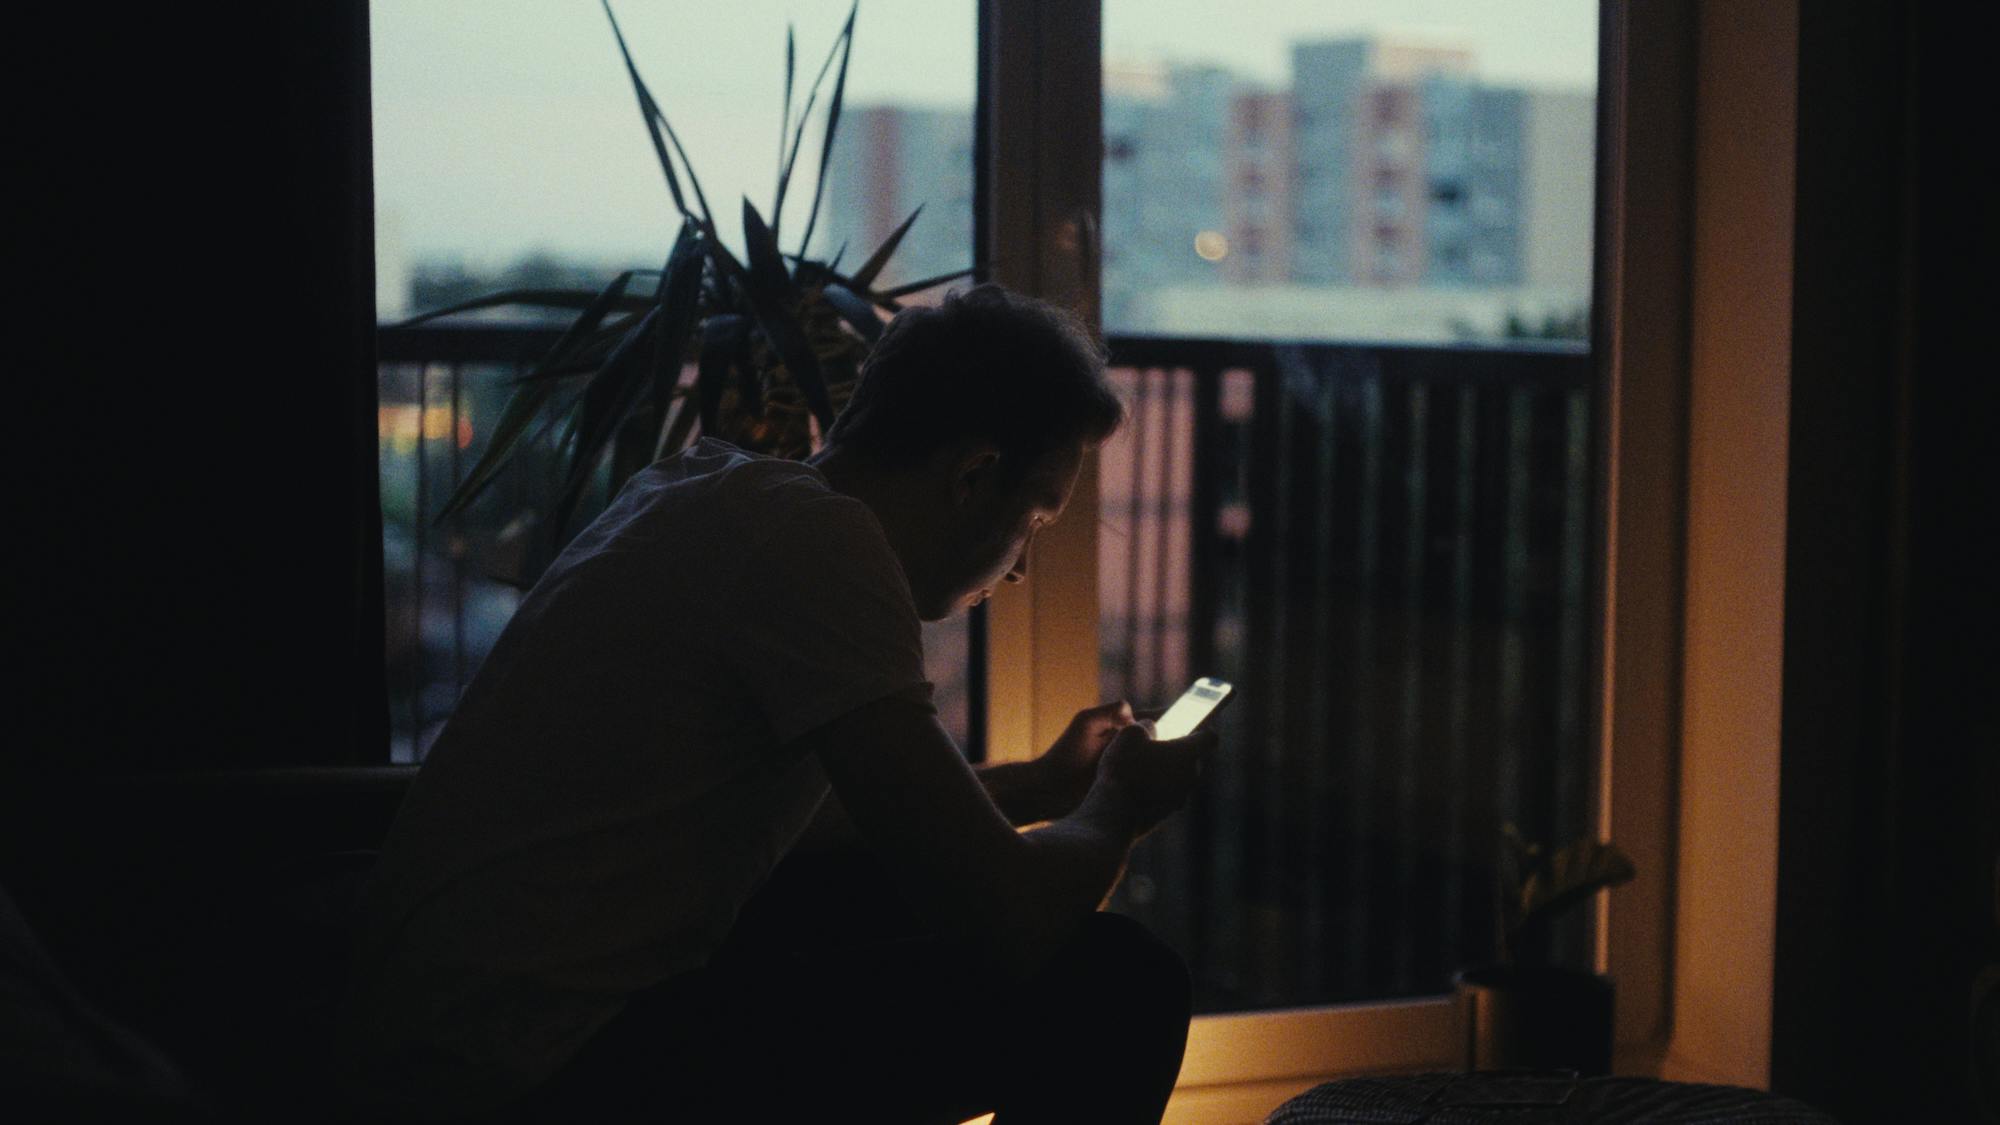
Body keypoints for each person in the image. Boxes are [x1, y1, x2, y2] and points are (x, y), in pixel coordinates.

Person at [334, 284, 1217, 1123]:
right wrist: (1119, 807)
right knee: (1117, 982)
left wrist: (1030, 786)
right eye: (1036, 519)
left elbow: (809, 821)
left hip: (438, 1031)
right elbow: (1014, 918)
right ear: (975, 475)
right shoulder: (826, 553)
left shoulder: (710, 491)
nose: (1022, 565)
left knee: (897, 888)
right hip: (531, 1071)